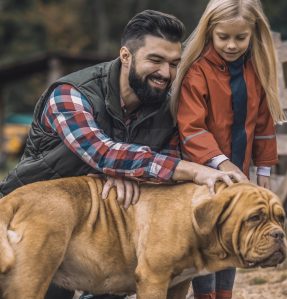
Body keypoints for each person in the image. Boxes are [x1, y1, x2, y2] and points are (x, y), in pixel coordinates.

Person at [0, 10, 242, 299]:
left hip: (105, 235)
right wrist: (195, 170)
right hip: (33, 218)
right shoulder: (71, 94)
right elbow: (103, 152)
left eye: (174, 63)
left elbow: (165, 182)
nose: (166, 73)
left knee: (116, 284)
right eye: (155, 60)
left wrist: (136, 175)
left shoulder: (166, 110)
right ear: (126, 56)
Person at [170, 0, 287, 298]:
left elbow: (263, 126)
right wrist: (221, 164)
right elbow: (191, 128)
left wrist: (263, 170)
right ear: (210, 32)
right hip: (203, 174)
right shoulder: (197, 73)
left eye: (240, 37)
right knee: (208, 236)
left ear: (253, 34)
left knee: (234, 232)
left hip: (240, 173)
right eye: (224, 37)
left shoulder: (256, 72)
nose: (232, 45)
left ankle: (225, 295)